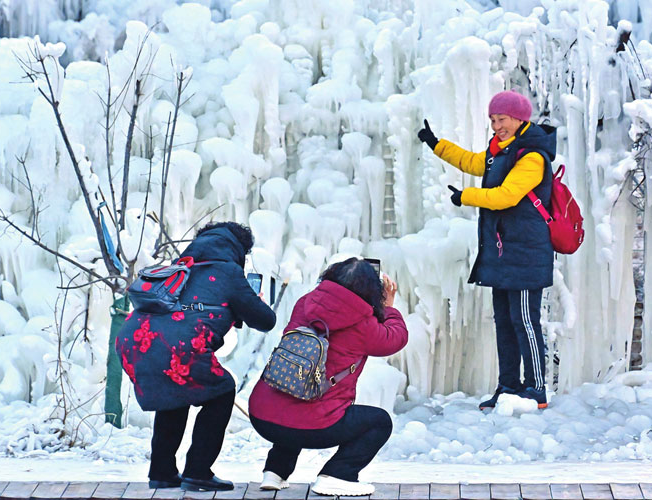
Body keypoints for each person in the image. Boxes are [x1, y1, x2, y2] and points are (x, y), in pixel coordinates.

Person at [417, 90, 556, 410]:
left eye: (502, 119)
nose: (497, 126)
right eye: (493, 120)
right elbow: (470, 161)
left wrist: (465, 197)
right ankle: (508, 385)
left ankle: (536, 388)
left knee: (524, 319)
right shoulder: (500, 153)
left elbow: (506, 196)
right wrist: (436, 144)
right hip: (503, 252)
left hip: (526, 253)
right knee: (505, 321)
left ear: (520, 118)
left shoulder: (532, 157)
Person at [115, 221, 276, 491]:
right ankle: (199, 471)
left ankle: (162, 473)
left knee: (174, 396)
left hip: (133, 340)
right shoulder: (228, 271)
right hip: (174, 346)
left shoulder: (180, 266)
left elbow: (194, 309)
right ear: (239, 249)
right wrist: (253, 300)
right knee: (222, 390)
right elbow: (265, 320)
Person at [248, 257, 408, 497]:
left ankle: (275, 471)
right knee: (379, 422)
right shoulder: (363, 325)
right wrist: (389, 307)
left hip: (262, 416)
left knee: (295, 392)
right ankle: (338, 475)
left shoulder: (304, 304)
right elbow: (395, 338)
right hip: (313, 427)